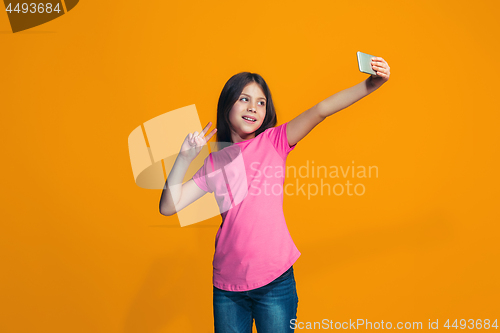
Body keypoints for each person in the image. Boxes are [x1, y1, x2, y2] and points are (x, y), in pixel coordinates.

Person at [159, 57, 391, 332]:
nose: (253, 107)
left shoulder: (274, 141)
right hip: (228, 286)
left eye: (261, 102)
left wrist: (370, 84)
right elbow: (168, 206)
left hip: (275, 282)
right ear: (227, 104)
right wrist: (184, 159)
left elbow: (321, 110)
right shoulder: (213, 163)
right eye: (244, 99)